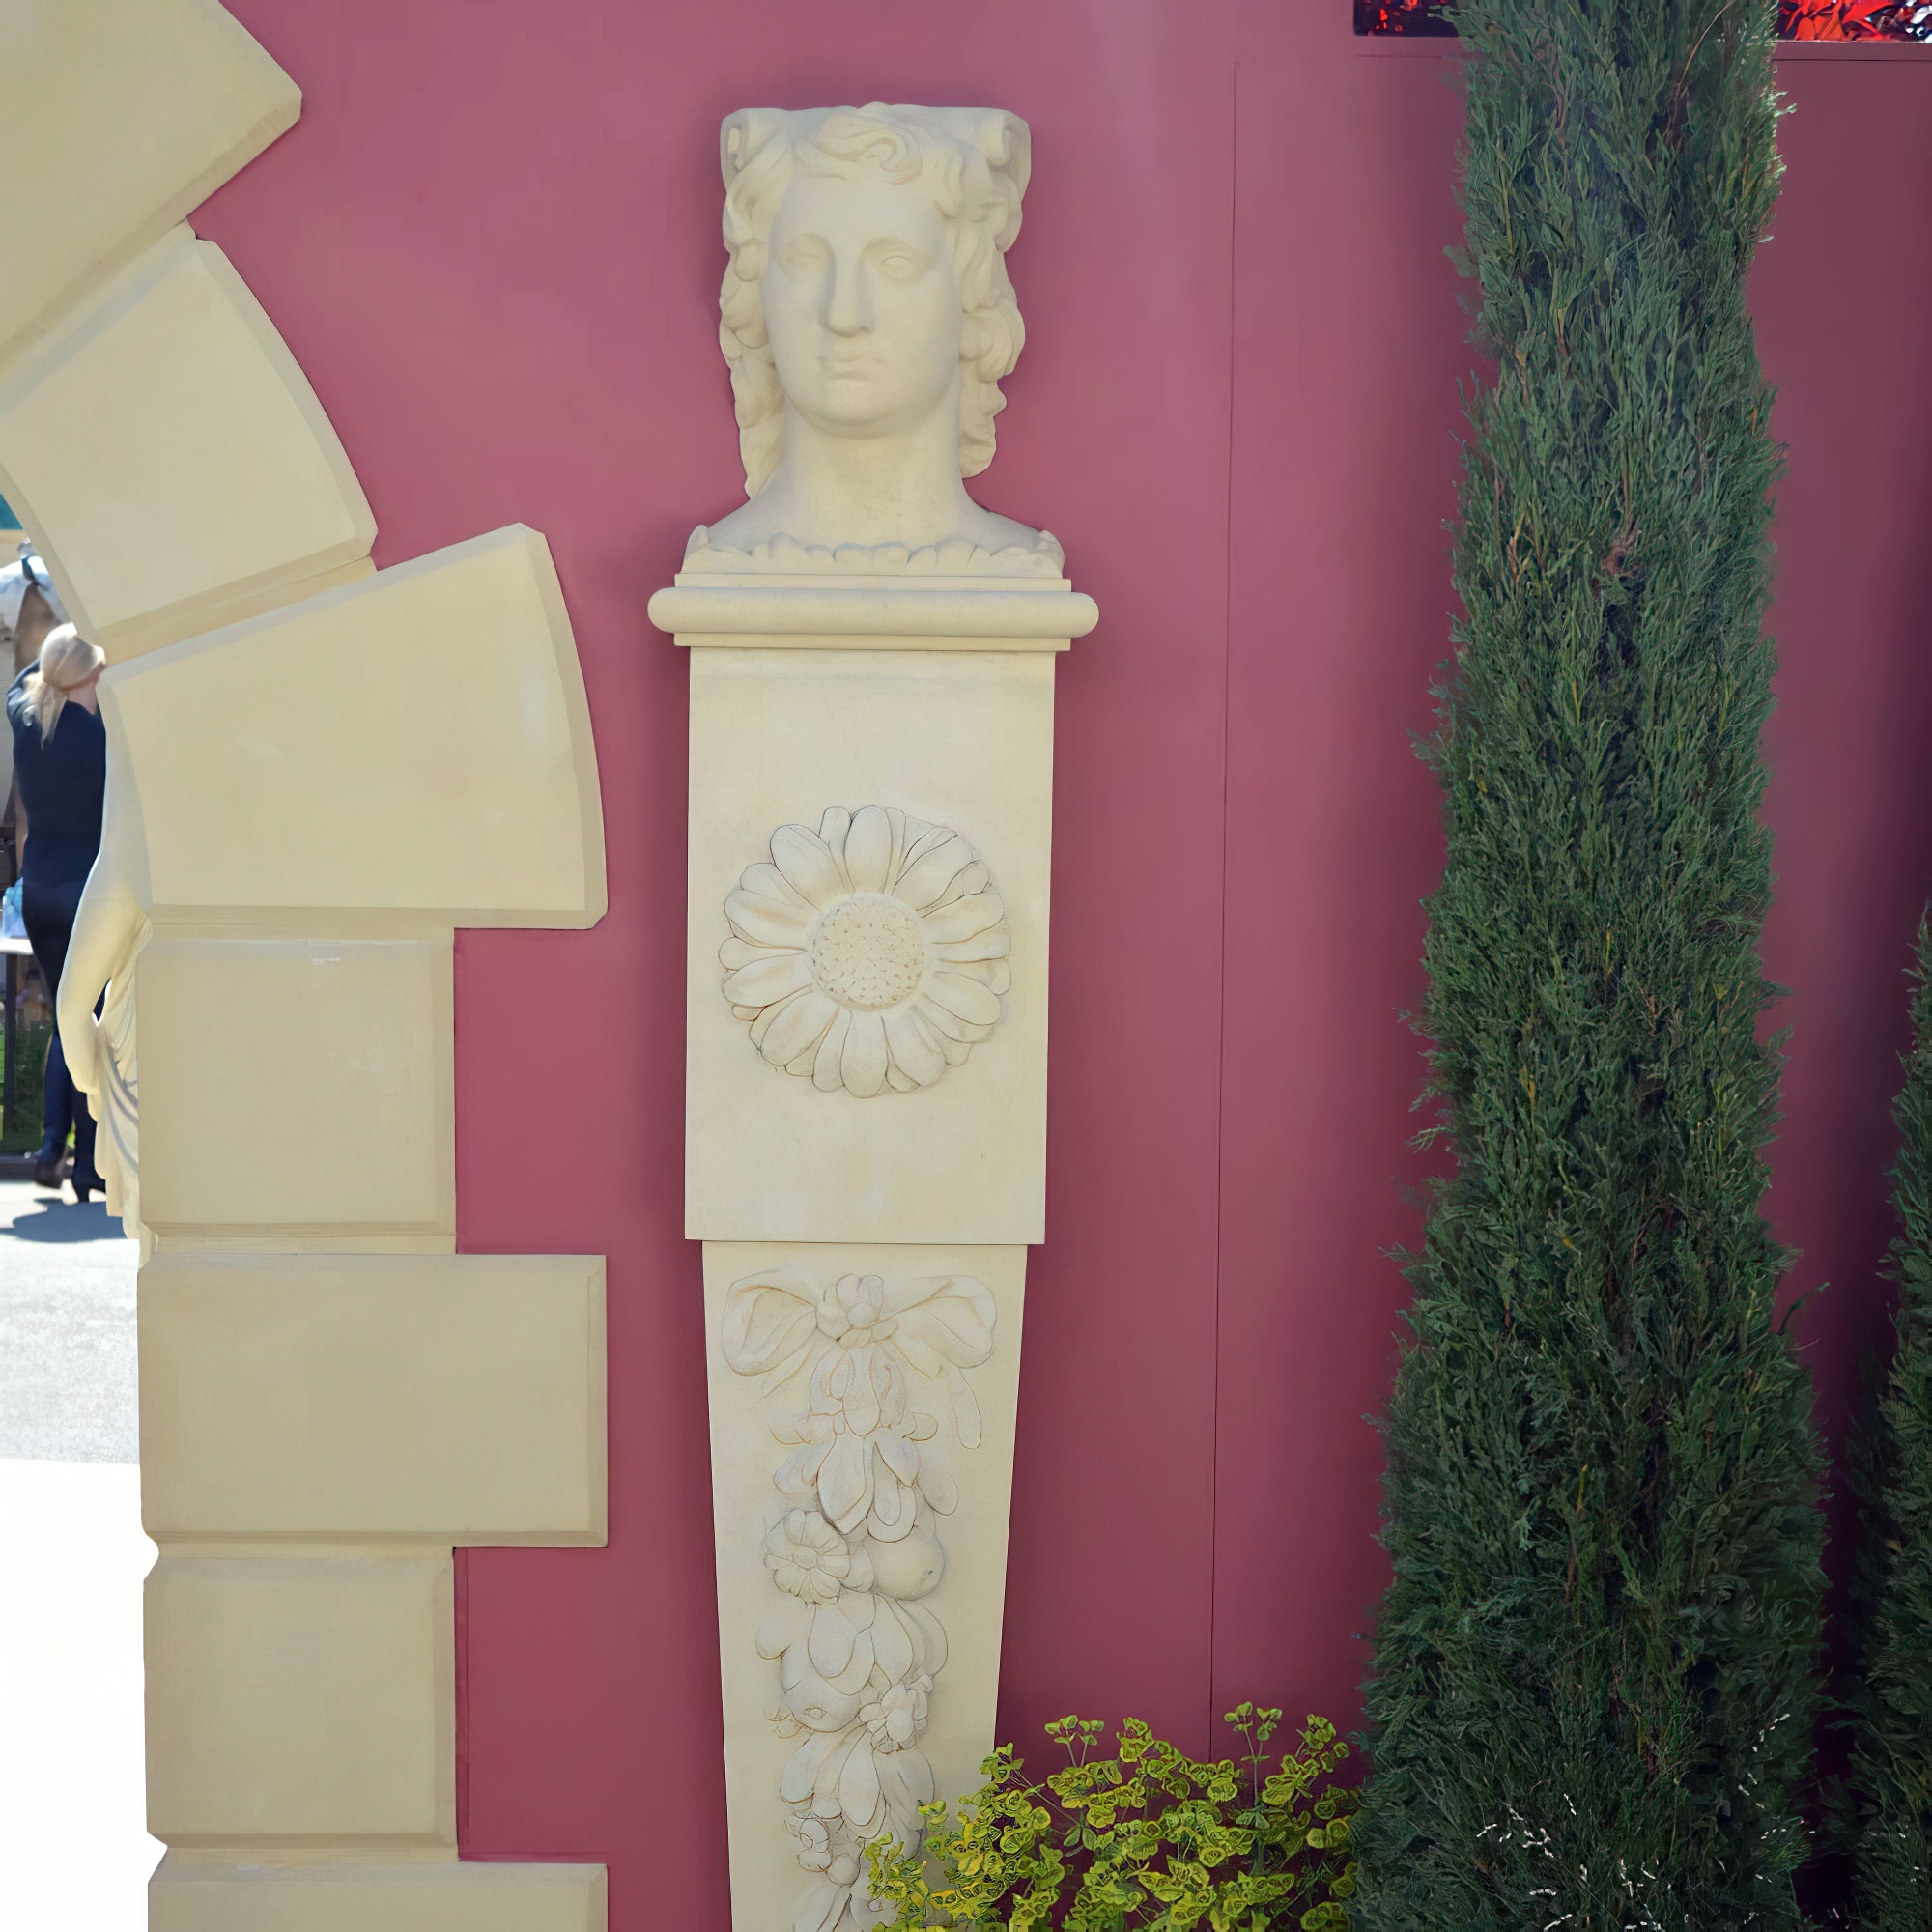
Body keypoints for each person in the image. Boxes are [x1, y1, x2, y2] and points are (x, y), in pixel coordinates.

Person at [6, 622, 106, 1201]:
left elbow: (27, 679)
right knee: (88, 1020)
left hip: (41, 892)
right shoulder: (99, 738)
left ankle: (50, 1147)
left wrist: (60, 660)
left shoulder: (25, 718)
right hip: (89, 892)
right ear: (89, 677)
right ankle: (87, 1162)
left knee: (67, 1018)